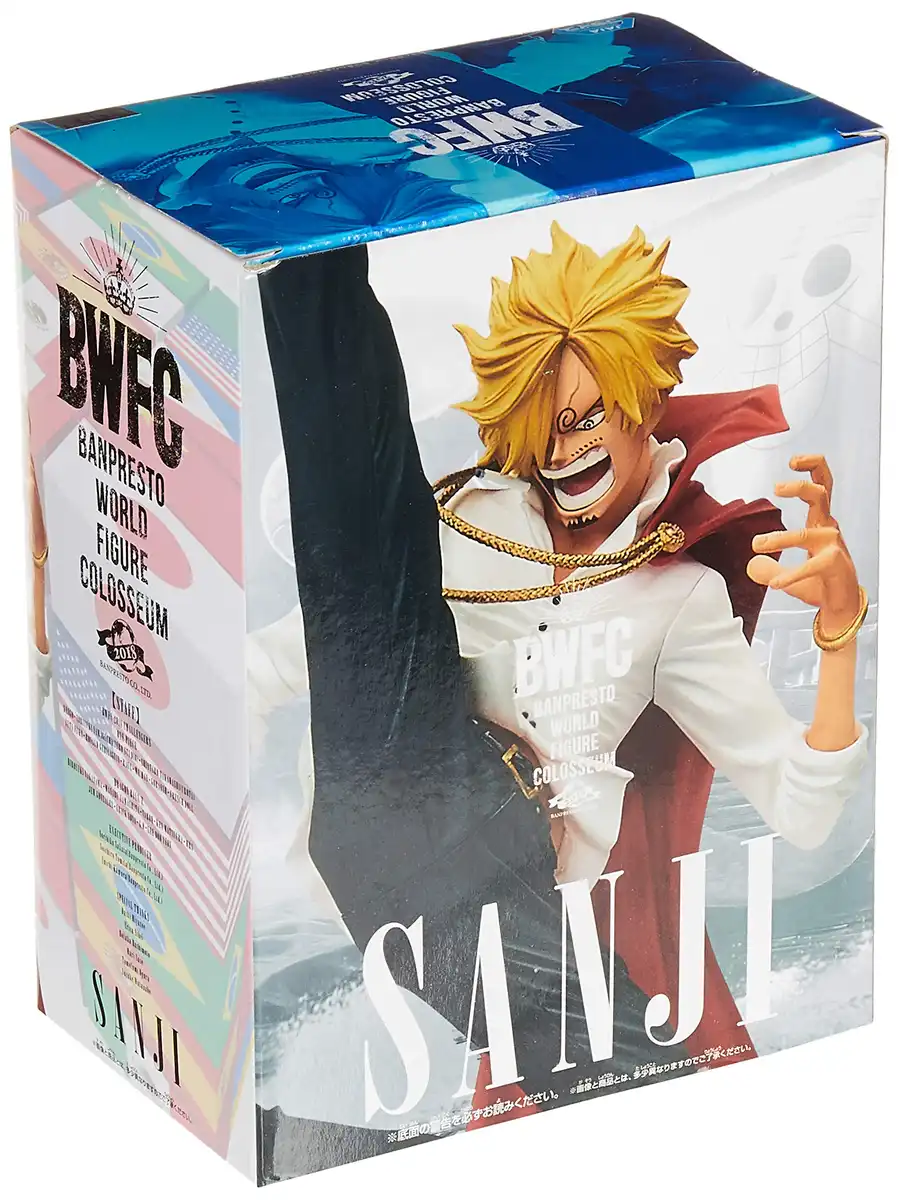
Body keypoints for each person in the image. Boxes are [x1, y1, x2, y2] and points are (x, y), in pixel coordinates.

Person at [251, 222, 866, 1148]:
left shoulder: (675, 593)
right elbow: (301, 652)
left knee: (637, 1085)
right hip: (392, 813)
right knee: (357, 524)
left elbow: (806, 811)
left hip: (517, 898)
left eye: (585, 417)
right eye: (542, 425)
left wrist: (837, 634)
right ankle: (310, 249)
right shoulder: (462, 523)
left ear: (641, 396)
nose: (562, 450)